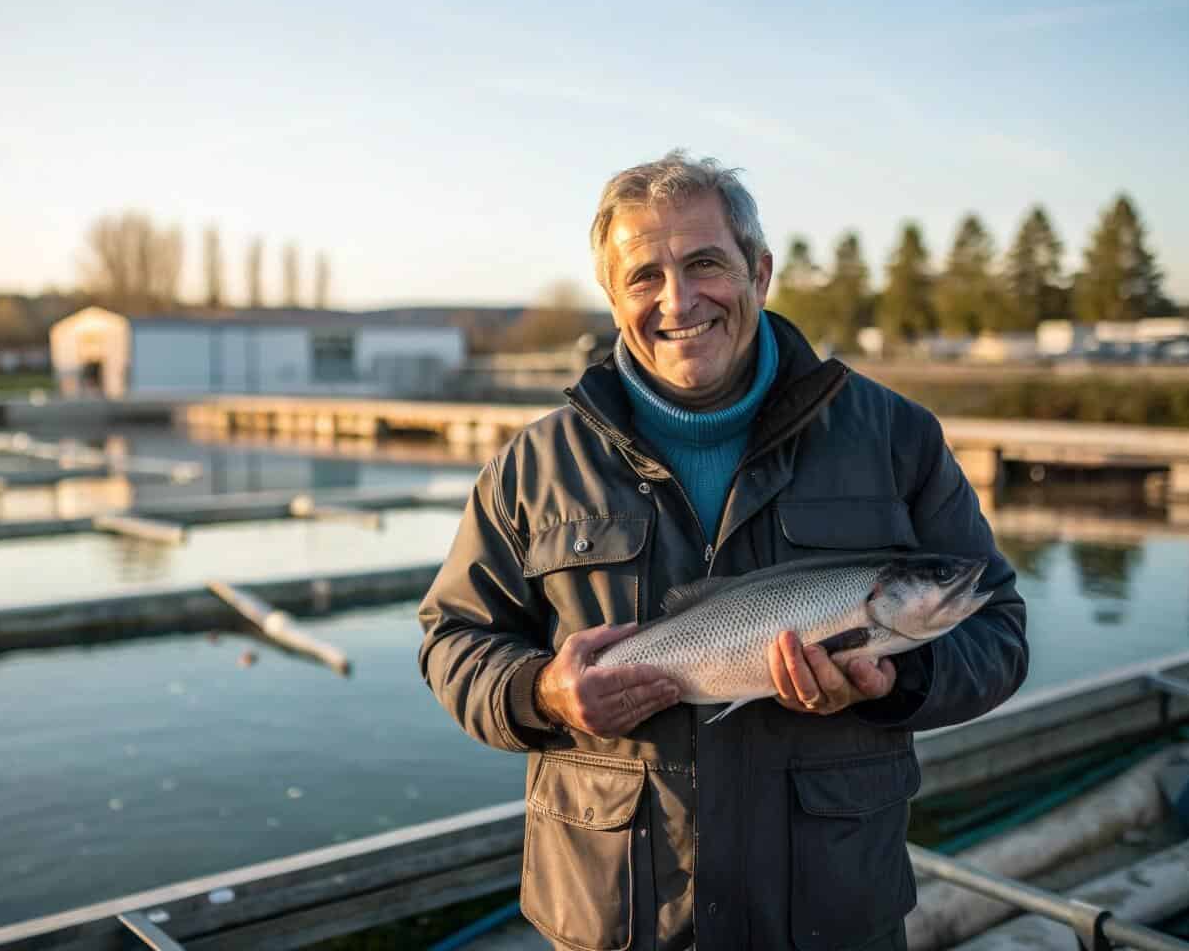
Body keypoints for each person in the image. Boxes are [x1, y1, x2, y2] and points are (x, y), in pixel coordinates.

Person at [417, 151, 1028, 950]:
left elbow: (999, 635)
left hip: (830, 919)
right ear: (612, 297)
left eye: (705, 262)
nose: (678, 300)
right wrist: (543, 692)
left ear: (760, 272)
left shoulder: (895, 437)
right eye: (644, 276)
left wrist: (894, 676)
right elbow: (452, 641)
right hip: (619, 923)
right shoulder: (533, 467)